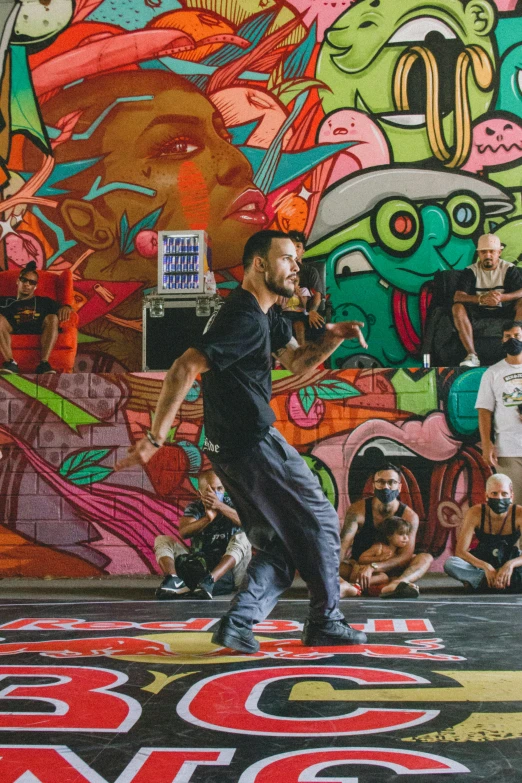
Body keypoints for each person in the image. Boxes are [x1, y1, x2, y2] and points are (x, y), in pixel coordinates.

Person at [116, 229, 369, 653]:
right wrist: (155, 437)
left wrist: (334, 336)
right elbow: (184, 367)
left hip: (231, 449)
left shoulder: (266, 314)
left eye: (296, 260)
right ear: (259, 265)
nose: (296, 268)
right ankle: (327, 620)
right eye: (287, 259)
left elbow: (297, 360)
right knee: (322, 521)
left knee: (276, 547)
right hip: (252, 442)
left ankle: (238, 623)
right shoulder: (244, 318)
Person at [24, 70, 267, 369]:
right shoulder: (94, 342)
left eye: (225, 137)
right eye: (178, 146)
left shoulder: (243, 309)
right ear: (89, 222)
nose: (239, 163)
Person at [154, 469, 251, 600]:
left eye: (220, 489)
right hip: (202, 566)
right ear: (200, 493)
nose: (216, 493)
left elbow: (249, 524)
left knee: (243, 537)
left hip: (231, 571)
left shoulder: (232, 504)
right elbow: (184, 532)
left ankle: (211, 580)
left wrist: (220, 506)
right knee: (162, 540)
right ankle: (174, 580)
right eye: (211, 490)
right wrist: (207, 519)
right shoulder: (195, 507)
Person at [340, 463, 433, 599]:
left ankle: (397, 584)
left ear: (399, 487)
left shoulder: (410, 516)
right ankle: (345, 586)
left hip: (393, 568)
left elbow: (405, 556)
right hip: (360, 569)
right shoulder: (357, 510)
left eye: (392, 482)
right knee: (326, 562)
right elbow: (343, 546)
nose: (386, 487)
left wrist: (374, 567)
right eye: (381, 482)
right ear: (373, 485)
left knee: (425, 558)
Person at [452, 233, 522, 367]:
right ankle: (472, 355)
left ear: (499, 252)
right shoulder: (470, 271)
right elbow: (458, 296)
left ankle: (518, 351)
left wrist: (502, 297)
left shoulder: (509, 269)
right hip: (479, 311)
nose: (488, 255)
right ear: (479, 254)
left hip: (505, 309)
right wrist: (481, 299)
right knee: (457, 307)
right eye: (484, 252)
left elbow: (521, 291)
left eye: (492, 251)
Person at [444, 473, 522, 592]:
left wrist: (510, 565)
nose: (499, 498)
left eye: (504, 494)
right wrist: (486, 567)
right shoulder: (475, 513)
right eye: (494, 493)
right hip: (483, 560)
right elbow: (460, 551)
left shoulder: (519, 513)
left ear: (511, 496)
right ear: (486, 496)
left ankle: (483, 584)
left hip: (510, 558)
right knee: (451, 564)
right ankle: (506, 583)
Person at [475, 320, 522, 505]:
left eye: (517, 336)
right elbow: (484, 411)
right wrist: (487, 444)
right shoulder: (493, 373)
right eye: (508, 337)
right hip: (508, 449)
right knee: (515, 507)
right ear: (502, 341)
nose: (513, 340)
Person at [0, 261, 73, 374]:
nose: (27, 284)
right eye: (24, 280)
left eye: (31, 282)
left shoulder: (44, 302)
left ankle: (44, 364)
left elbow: (64, 309)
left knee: (53, 318)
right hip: (13, 327)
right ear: (18, 281)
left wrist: (67, 306)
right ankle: (10, 363)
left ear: (35, 286)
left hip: (38, 326)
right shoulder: (5, 301)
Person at [341, 516, 413, 596]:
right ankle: (355, 585)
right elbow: (361, 559)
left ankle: (383, 590)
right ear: (389, 536)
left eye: (407, 534)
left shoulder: (398, 553)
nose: (405, 538)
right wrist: (378, 558)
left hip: (375, 578)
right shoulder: (379, 547)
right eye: (401, 534)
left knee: (393, 579)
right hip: (362, 573)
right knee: (384, 577)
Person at [288, 231, 325, 337]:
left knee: (318, 326)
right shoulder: (280, 270)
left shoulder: (310, 271)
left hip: (303, 313)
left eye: (298, 246)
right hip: (283, 314)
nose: (294, 249)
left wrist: (312, 311)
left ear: (303, 251)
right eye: (290, 245)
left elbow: (317, 295)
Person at [279, 274, 311, 346]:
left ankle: (301, 350)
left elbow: (304, 305)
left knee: (299, 327)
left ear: (298, 282)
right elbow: (279, 303)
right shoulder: (284, 291)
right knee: (286, 330)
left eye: (295, 281)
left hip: (298, 314)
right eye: (291, 281)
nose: (293, 283)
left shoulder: (303, 290)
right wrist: (283, 291)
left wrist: (299, 294)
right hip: (285, 314)